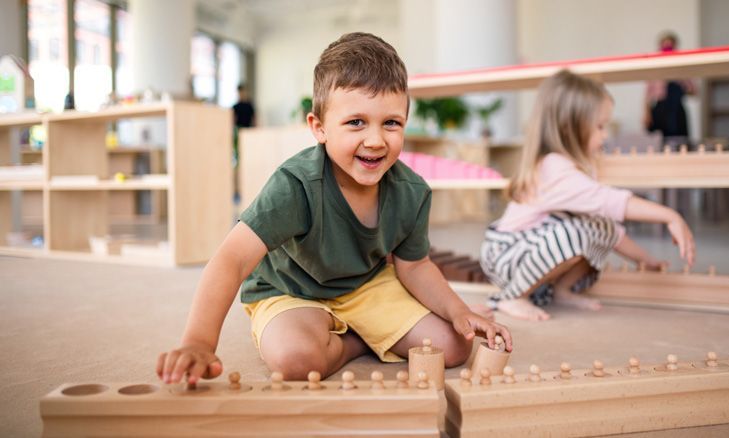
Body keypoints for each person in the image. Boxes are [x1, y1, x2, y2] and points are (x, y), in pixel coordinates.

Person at [157, 32, 512, 385]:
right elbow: (231, 259)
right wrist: (198, 342)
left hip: (365, 286)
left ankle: (358, 330)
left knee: (452, 346)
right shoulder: (295, 185)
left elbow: (415, 266)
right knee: (296, 363)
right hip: (290, 290)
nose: (375, 140)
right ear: (319, 128)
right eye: (356, 122)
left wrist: (460, 311)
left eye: (391, 123)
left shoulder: (412, 192)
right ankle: (354, 343)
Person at [480, 70, 696, 321]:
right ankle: (511, 297)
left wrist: (644, 260)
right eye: (600, 126)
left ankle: (561, 290)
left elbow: (610, 229)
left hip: (528, 252)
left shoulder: (575, 168)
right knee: (575, 233)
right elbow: (611, 202)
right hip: (504, 255)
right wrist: (670, 216)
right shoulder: (554, 168)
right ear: (570, 127)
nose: (605, 135)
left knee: (597, 226)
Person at [644, 31, 696, 145]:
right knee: (661, 142)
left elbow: (694, 92)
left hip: (677, 109)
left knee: (681, 142)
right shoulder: (654, 66)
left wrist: (681, 78)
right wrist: (646, 114)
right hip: (661, 108)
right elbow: (648, 95)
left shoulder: (683, 65)